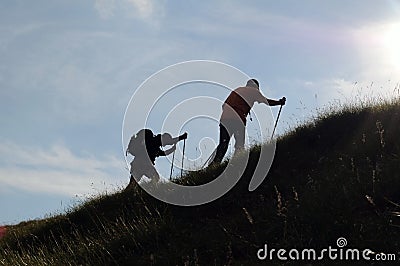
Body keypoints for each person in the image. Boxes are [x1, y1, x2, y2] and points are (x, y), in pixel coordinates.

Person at [211, 79, 286, 164]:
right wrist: (279, 102)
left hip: (225, 119)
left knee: (223, 145)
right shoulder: (253, 91)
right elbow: (266, 101)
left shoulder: (238, 90)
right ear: (256, 86)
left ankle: (214, 165)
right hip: (238, 120)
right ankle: (236, 164)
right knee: (239, 145)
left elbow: (223, 105)